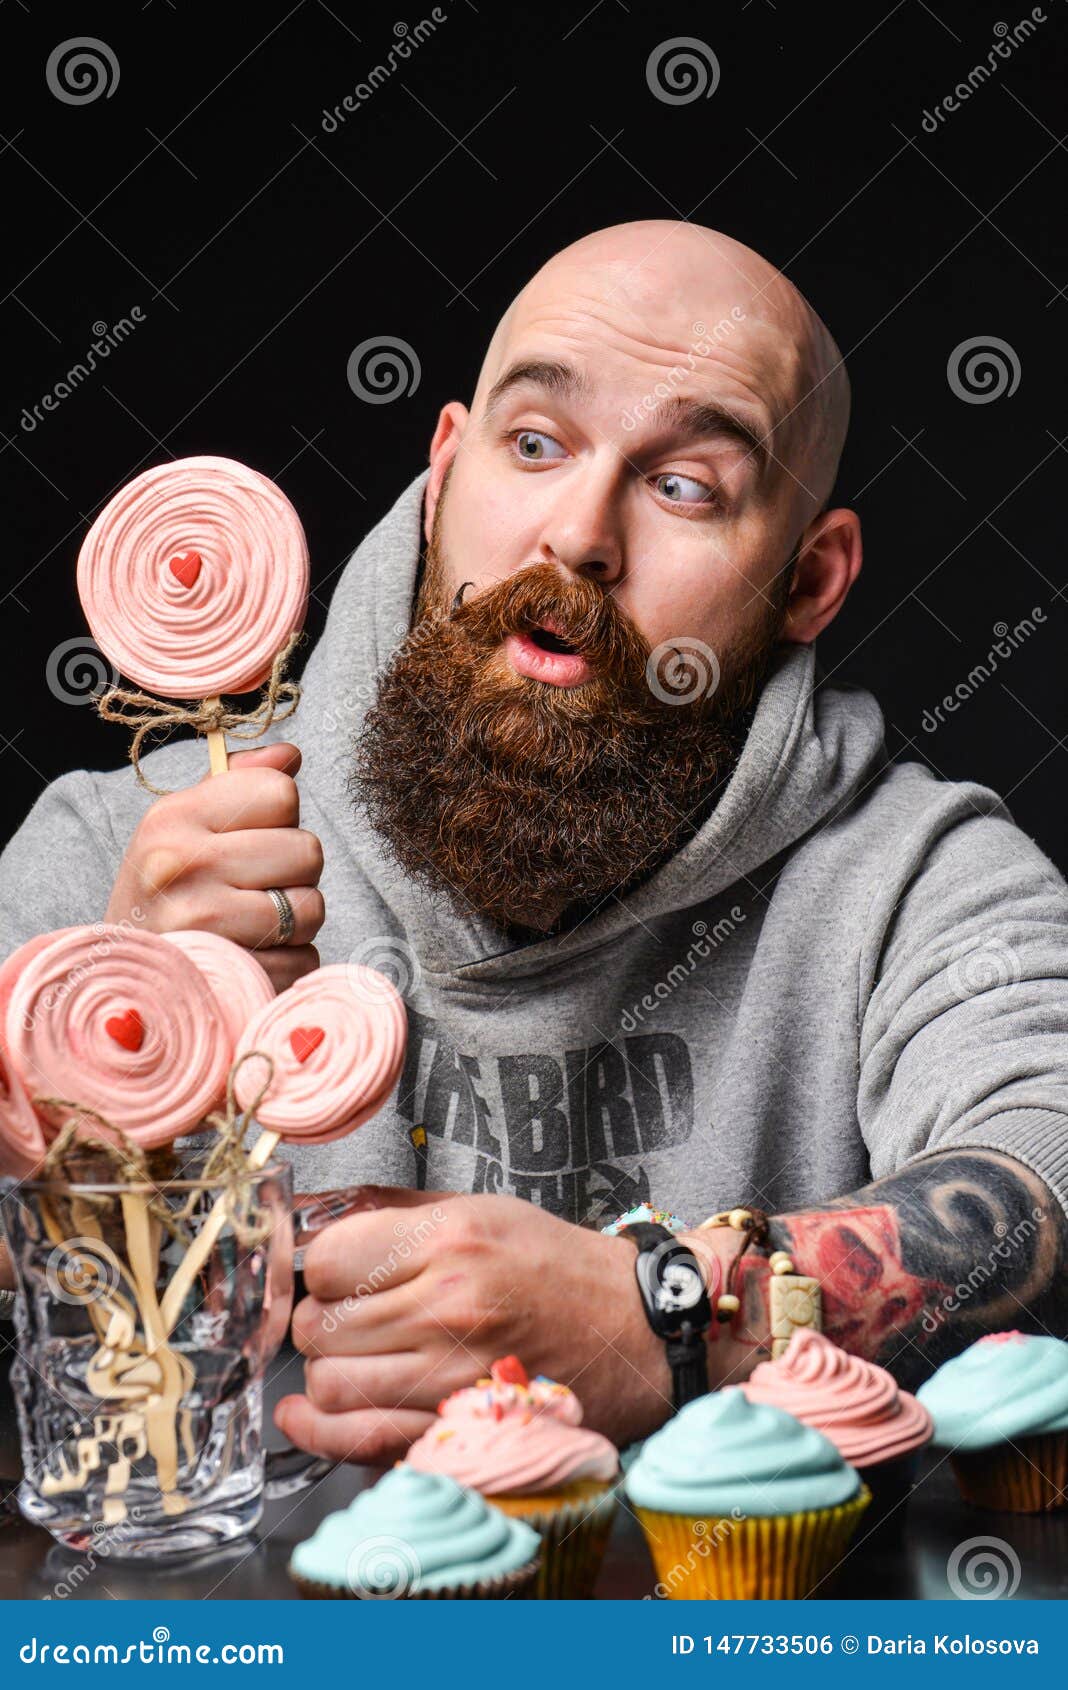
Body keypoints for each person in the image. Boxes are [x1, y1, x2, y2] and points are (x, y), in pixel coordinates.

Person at [1, 221, 1066, 1467]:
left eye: (684, 486)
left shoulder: (919, 879)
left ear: (809, 579)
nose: (578, 534)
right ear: (446, 468)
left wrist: (674, 1315)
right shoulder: (118, 858)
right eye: (537, 444)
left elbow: (1041, 1172)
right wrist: (104, 1058)